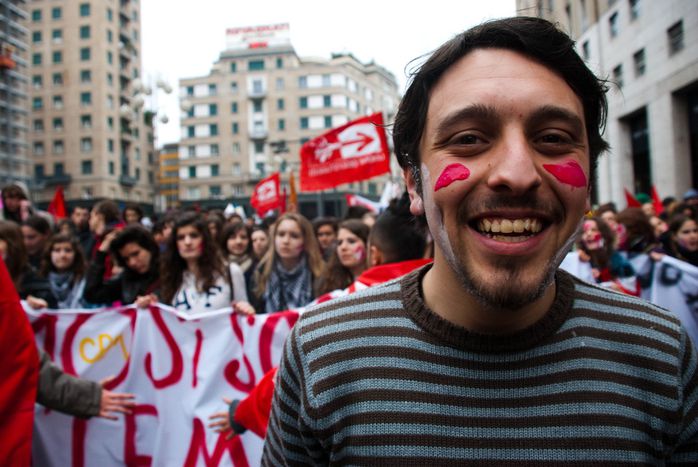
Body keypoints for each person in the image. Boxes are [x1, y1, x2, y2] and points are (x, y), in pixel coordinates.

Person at [262, 17, 698, 464]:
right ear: (415, 184)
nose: (517, 173)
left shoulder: (660, 354)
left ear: (589, 184)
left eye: (553, 138)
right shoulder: (321, 352)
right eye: (469, 139)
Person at [159, 212, 253, 314]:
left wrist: (247, 310)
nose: (187, 242)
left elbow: (244, 315)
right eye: (181, 238)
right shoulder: (171, 278)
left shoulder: (230, 272)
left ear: (205, 239)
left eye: (194, 236)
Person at [250, 213, 325, 314]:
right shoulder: (260, 273)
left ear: (305, 240)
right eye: (281, 234)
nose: (285, 241)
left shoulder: (320, 274)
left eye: (294, 236)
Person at [83, 225, 160, 306]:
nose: (132, 262)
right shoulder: (127, 279)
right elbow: (92, 294)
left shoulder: (169, 273)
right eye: (126, 259)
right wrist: (101, 253)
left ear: (149, 248)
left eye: (136, 254)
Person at [36, 233, 89, 309]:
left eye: (68, 250)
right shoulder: (38, 280)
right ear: (49, 254)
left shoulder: (85, 281)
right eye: (57, 250)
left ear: (76, 254)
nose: (62, 255)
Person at [316, 219, 369, 295]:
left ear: (367, 245)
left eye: (351, 241)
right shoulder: (328, 282)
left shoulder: (379, 281)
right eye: (339, 243)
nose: (343, 247)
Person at [220, 221, 256, 297]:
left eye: (243, 237)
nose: (238, 241)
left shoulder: (258, 267)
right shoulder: (218, 267)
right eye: (233, 237)